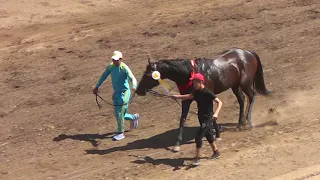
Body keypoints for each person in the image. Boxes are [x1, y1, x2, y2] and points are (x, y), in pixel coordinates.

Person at [170, 73, 222, 166]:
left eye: (195, 82)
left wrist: (216, 113)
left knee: (198, 137)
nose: (193, 84)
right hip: (201, 118)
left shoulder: (207, 92)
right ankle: (216, 152)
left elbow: (219, 102)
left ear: (200, 82)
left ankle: (197, 159)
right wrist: (176, 96)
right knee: (208, 135)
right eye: (193, 82)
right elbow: (189, 96)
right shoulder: (196, 91)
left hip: (208, 119)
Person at [93, 51, 139, 141]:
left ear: (121, 59)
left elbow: (132, 78)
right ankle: (133, 117)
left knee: (120, 113)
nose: (114, 61)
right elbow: (104, 76)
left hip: (125, 93)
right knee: (117, 114)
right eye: (113, 59)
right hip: (116, 93)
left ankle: (120, 133)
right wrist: (97, 86)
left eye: (116, 60)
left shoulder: (124, 68)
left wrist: (134, 86)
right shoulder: (111, 66)